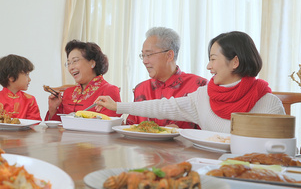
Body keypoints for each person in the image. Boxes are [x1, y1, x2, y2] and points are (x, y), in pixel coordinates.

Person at [95, 31, 285, 133]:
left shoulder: (269, 104)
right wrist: (118, 106)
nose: (208, 66)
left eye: (213, 59)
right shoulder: (203, 97)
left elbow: (281, 154)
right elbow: (163, 106)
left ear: (235, 61)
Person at [127, 27, 207, 128]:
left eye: (149, 54)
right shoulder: (141, 89)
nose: (144, 61)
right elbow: (130, 129)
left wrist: (181, 133)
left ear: (169, 55)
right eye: (143, 55)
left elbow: (209, 132)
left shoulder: (199, 86)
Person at [46, 39, 121, 120]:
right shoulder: (68, 92)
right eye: (68, 63)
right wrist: (53, 108)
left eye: (75, 61)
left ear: (92, 63)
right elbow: (56, 127)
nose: (71, 67)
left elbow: (109, 124)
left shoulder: (109, 90)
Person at [0, 54, 42, 120]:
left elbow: (34, 123)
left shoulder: (30, 100)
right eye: (26, 74)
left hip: (25, 131)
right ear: (11, 77)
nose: (29, 79)